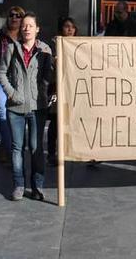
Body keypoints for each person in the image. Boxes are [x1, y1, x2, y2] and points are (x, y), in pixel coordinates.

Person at [0, 12, 54, 201]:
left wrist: (54, 67)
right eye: (24, 26)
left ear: (37, 29)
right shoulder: (12, 48)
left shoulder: (46, 50)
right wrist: (12, 93)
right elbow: (2, 73)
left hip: (38, 106)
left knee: (36, 147)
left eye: (31, 25)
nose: (27, 28)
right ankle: (19, 184)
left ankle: (37, 185)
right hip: (15, 107)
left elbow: (50, 76)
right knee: (17, 148)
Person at [0, 5, 25, 163]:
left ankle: (5, 147)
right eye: (11, 15)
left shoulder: (26, 37)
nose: (14, 18)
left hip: (20, 81)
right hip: (0, 80)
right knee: (4, 114)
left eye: (18, 15)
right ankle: (13, 154)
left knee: (16, 116)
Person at [47, 16, 78, 166]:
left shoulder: (79, 46)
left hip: (73, 89)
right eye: (67, 26)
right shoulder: (55, 45)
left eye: (72, 26)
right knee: (55, 120)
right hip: (57, 89)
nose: (70, 29)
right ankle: (52, 153)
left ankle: (67, 150)